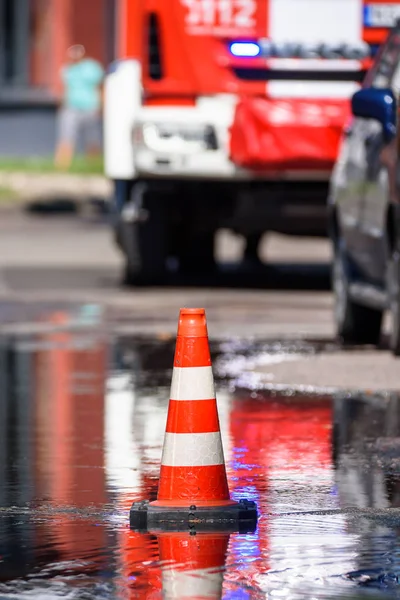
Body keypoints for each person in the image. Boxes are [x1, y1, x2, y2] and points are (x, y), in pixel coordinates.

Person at [54, 44, 105, 170]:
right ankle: (62, 166)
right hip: (71, 107)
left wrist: (102, 106)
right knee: (66, 136)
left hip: (90, 107)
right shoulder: (67, 69)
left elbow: (101, 87)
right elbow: (63, 89)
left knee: (92, 139)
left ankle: (94, 166)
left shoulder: (92, 68)